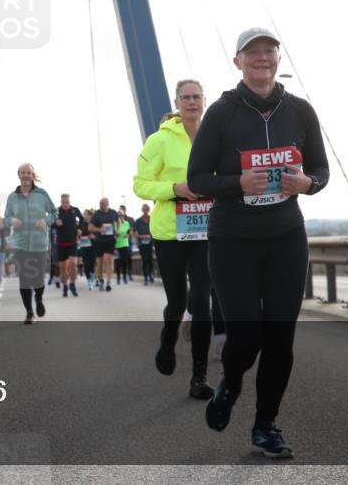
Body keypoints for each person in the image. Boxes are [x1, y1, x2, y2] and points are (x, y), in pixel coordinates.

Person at [189, 28, 329, 459]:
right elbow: (197, 180)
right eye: (253, 54)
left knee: (280, 339)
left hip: (286, 236)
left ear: (278, 58)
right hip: (233, 240)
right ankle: (231, 384)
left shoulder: (301, 111)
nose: (262, 59)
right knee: (246, 338)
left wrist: (308, 183)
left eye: (269, 51)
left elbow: (321, 172)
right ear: (238, 63)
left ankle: (265, 425)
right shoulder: (221, 113)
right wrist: (237, 183)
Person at [134, 80, 216, 401]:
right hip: (169, 231)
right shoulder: (159, 140)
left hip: (205, 230)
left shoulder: (216, 137)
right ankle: (168, 339)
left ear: (204, 101)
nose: (192, 102)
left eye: (197, 97)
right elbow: (141, 185)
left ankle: (199, 377)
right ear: (177, 102)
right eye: (187, 97)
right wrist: (174, 189)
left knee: (201, 304)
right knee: (178, 303)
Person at [4, 164, 57, 323]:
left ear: (32, 175)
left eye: (28, 172)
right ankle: (29, 312)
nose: (26, 175)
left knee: (38, 277)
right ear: (18, 175)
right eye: (23, 172)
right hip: (20, 244)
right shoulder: (12, 197)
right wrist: (11, 220)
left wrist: (46, 220)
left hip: (39, 243)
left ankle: (39, 299)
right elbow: (6, 218)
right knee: (24, 279)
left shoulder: (42, 194)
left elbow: (54, 212)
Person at [53, 194, 85, 297]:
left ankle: (72, 284)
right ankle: (65, 286)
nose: (66, 204)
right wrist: (55, 224)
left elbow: (82, 220)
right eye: (64, 202)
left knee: (73, 263)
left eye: (67, 202)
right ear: (61, 202)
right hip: (60, 243)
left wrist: (80, 228)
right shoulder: (56, 212)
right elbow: (50, 224)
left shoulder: (75, 210)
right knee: (62, 267)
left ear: (69, 201)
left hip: (72, 242)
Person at [88, 198, 119, 291]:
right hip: (99, 240)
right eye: (100, 203)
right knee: (100, 262)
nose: (101, 205)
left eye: (103, 203)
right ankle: (101, 279)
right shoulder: (96, 214)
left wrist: (118, 229)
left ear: (107, 204)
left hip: (110, 240)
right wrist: (99, 230)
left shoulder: (113, 212)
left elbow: (118, 221)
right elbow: (90, 227)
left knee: (109, 259)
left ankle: (108, 282)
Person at [134, 204, 154, 284]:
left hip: (150, 242)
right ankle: (146, 277)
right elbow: (134, 232)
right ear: (142, 210)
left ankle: (151, 274)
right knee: (144, 259)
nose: (145, 211)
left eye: (147, 209)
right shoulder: (138, 221)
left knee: (150, 259)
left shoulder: (152, 219)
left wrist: (150, 236)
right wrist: (140, 236)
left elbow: (156, 230)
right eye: (144, 209)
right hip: (141, 243)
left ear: (149, 210)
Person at [114, 205, 132, 286]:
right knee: (117, 262)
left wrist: (128, 235)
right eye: (118, 215)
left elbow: (129, 231)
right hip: (116, 245)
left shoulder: (127, 223)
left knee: (124, 261)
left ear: (124, 216)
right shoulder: (115, 224)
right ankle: (118, 277)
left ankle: (124, 276)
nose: (120, 217)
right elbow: (113, 234)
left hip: (125, 244)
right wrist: (116, 234)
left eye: (121, 215)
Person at [79, 209, 97, 290]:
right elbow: (77, 232)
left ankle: (93, 276)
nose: (84, 215)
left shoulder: (94, 223)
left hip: (93, 246)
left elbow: (99, 233)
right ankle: (89, 280)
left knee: (92, 263)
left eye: (86, 214)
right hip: (84, 246)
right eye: (84, 214)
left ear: (90, 215)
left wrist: (94, 236)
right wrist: (78, 235)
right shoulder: (81, 224)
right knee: (86, 264)